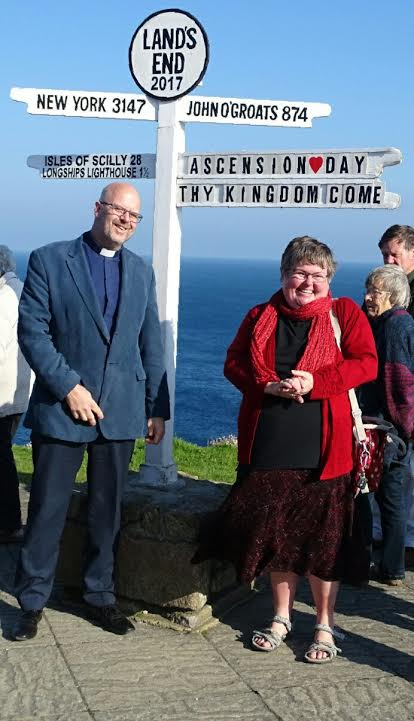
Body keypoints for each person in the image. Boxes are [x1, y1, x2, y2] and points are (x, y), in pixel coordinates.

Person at [194, 236, 377, 664]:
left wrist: (317, 383)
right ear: (283, 275)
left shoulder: (344, 314)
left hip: (326, 450)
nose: (308, 282)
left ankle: (325, 625)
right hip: (271, 445)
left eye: (317, 274)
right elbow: (234, 362)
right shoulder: (261, 315)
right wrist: (266, 385)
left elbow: (366, 363)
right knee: (279, 539)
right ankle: (281, 617)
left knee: (323, 543)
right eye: (300, 273)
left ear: (329, 279)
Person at [12, 183, 170, 641]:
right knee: (46, 510)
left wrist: (155, 409)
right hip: (64, 409)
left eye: (134, 216)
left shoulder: (141, 272)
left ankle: (100, 595)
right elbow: (33, 332)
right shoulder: (48, 259)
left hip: (120, 411)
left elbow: (150, 343)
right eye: (119, 210)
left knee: (108, 511)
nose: (125, 221)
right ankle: (32, 600)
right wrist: (69, 388)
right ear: (97, 208)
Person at [359, 265, 414, 585]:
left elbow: (400, 382)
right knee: (390, 499)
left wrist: (404, 429)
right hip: (393, 427)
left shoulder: (394, 326)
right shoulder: (392, 323)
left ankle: (363, 563)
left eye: (374, 291)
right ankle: (392, 568)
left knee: (367, 496)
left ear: (393, 297)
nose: (367, 296)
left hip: (387, 428)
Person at [378, 225, 414, 568]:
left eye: (395, 254)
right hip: (397, 402)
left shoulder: (402, 315)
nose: (389, 260)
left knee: (400, 480)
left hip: (405, 402)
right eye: (385, 254)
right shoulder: (385, 287)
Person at [0, 246, 33, 544]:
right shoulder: (22, 291)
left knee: (2, 460)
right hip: (19, 391)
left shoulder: (3, 299)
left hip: (1, 392)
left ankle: (10, 523)